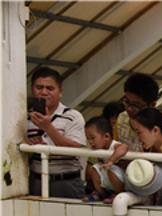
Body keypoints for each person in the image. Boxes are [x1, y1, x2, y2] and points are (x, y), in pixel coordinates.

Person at [26, 67, 86, 198]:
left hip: (66, 182)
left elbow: (76, 148)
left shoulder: (72, 116)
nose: (44, 92)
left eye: (50, 88)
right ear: (32, 89)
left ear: (60, 92)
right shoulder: (25, 117)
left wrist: (48, 128)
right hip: (35, 181)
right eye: (39, 87)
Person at [83, 117, 128, 202]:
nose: (90, 142)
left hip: (121, 179)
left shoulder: (113, 145)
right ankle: (101, 194)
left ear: (106, 136)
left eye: (93, 138)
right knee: (94, 168)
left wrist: (111, 161)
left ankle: (118, 194)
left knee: (111, 170)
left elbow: (124, 147)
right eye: (88, 139)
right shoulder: (100, 149)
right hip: (109, 178)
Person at [116, 73, 159, 152]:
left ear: (152, 105)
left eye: (136, 105)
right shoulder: (121, 119)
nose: (129, 109)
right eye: (127, 102)